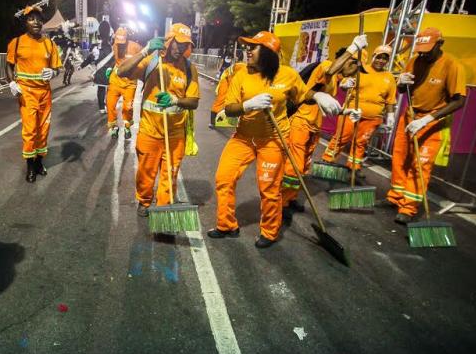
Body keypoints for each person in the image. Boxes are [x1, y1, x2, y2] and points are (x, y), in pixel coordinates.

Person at [208, 31, 340, 248]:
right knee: (224, 178)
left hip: (274, 139)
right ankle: (226, 225)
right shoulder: (242, 74)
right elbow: (230, 109)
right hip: (243, 137)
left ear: (269, 53)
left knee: (269, 188)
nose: (248, 50)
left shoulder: (287, 75)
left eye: (254, 47)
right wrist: (247, 105)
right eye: (248, 47)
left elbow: (302, 95)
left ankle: (269, 232)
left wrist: (317, 95)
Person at [383, 27, 466, 224]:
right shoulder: (415, 60)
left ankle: (408, 207)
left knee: (421, 165)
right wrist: (400, 82)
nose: (423, 54)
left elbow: (459, 100)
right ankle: (396, 196)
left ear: (440, 44)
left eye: (428, 50)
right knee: (400, 158)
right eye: (420, 50)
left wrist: (427, 120)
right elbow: (404, 90)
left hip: (432, 120)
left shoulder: (452, 65)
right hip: (410, 115)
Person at [117, 23, 200, 217]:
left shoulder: (189, 69)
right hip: (149, 131)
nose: (180, 48)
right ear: (169, 40)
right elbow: (122, 71)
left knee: (169, 176)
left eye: (185, 45)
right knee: (145, 175)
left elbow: (194, 102)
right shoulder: (152, 61)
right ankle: (144, 201)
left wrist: (175, 100)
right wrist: (145, 51)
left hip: (175, 136)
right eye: (177, 43)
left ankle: (163, 211)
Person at [280, 36, 365, 214]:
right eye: (357, 67)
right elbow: (332, 69)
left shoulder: (335, 82)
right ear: (350, 61)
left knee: (303, 166)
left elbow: (326, 106)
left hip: (314, 127)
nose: (357, 72)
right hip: (300, 123)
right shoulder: (326, 65)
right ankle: (283, 203)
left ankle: (292, 196)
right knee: (293, 166)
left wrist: (346, 112)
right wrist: (353, 47)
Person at [6, 3, 62, 183]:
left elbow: (57, 67)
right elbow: (9, 65)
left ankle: (39, 162)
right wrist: (12, 83)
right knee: (30, 130)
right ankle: (30, 166)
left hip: (44, 92)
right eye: (31, 19)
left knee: (43, 129)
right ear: (26, 23)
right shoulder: (17, 43)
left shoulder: (49, 44)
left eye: (39, 19)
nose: (36, 22)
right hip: (26, 93)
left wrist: (53, 72)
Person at [321, 44, 397, 176]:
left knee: (361, 142)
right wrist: (345, 85)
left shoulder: (389, 77)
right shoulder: (360, 69)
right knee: (341, 137)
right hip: (351, 112)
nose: (381, 61)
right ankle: (327, 162)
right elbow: (344, 82)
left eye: (385, 58)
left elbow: (390, 100)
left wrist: (390, 115)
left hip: (373, 118)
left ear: (388, 61)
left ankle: (354, 168)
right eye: (379, 57)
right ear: (373, 57)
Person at [106, 27, 142, 139]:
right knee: (110, 104)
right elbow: (113, 59)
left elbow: (143, 61)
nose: (120, 45)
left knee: (128, 107)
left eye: (122, 42)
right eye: (118, 42)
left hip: (130, 83)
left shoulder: (136, 47)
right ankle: (114, 127)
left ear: (126, 39)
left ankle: (127, 126)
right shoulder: (115, 46)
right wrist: (109, 68)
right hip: (116, 80)